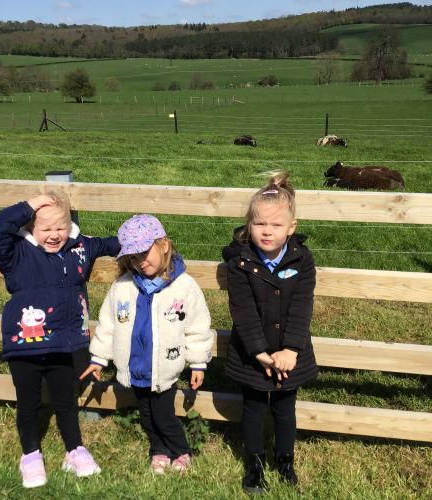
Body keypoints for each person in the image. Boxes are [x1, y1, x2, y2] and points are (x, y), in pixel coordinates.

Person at [0, 192, 120, 488]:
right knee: (28, 402)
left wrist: (145, 236)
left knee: (65, 399)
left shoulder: (80, 246)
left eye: (61, 227)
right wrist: (30, 205)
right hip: (24, 346)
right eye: (46, 229)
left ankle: (74, 450)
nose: (55, 235)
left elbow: (112, 244)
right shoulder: (15, 252)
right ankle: (30, 455)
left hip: (64, 343)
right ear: (30, 228)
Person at [80, 214, 213, 474]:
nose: (140, 261)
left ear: (164, 245)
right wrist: (98, 358)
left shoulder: (183, 287)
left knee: (163, 415)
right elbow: (108, 324)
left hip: (164, 368)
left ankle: (181, 451)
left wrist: (198, 362)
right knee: (147, 415)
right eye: (133, 257)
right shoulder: (123, 286)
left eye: (144, 253)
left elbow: (197, 326)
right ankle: (159, 451)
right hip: (135, 367)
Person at [222, 171, 318, 494]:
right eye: (259, 223)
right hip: (253, 354)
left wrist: (291, 350)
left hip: (290, 356)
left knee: (285, 408)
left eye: (276, 225)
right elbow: (243, 310)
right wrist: (259, 353)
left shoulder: (302, 260)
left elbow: (302, 306)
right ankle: (255, 465)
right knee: (253, 407)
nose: (267, 231)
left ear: (291, 228)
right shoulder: (240, 262)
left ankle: (285, 461)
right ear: (249, 224)